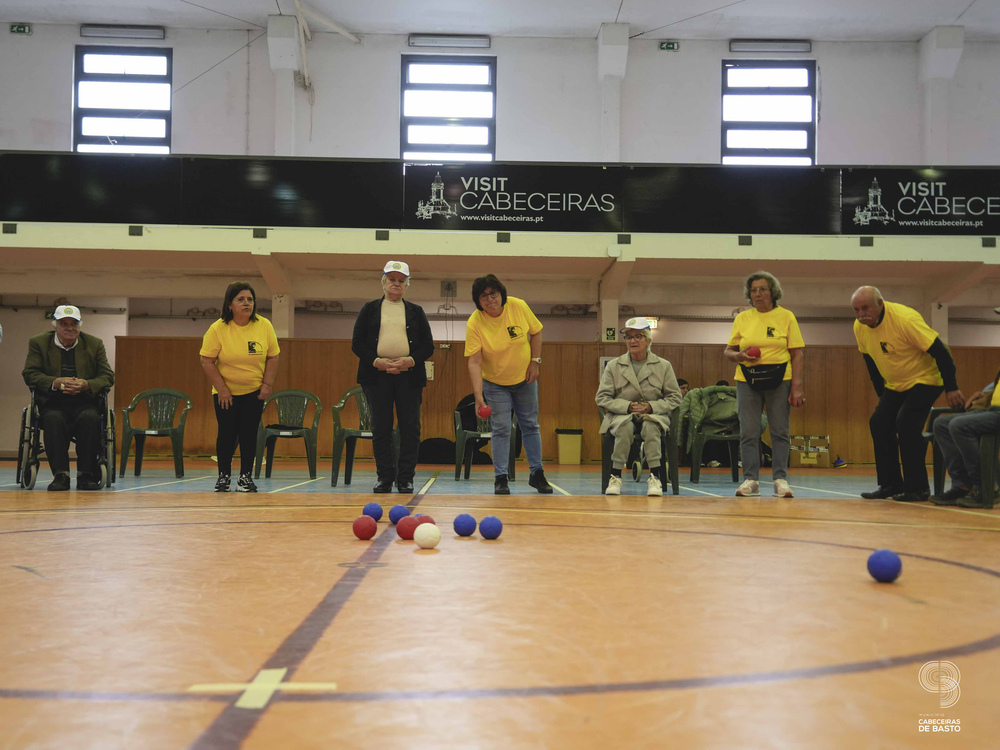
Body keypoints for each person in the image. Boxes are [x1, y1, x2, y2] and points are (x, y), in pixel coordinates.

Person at [852, 285, 964, 502]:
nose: (860, 314)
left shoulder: (904, 319)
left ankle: (918, 488)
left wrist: (952, 387)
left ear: (880, 304)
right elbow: (871, 364)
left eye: (865, 308)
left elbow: (941, 352)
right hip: (896, 384)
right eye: (856, 310)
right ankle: (891, 484)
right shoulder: (859, 327)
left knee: (906, 423)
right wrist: (882, 395)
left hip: (927, 379)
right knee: (879, 422)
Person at [352, 260, 434, 494]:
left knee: (410, 428)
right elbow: (357, 343)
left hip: (409, 377)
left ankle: (406, 478)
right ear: (383, 282)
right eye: (392, 280)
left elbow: (428, 346)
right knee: (381, 428)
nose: (396, 284)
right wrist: (377, 361)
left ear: (407, 284)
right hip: (376, 377)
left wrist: (410, 360)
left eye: (401, 281)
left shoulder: (416, 311)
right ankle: (385, 477)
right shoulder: (369, 309)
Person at [465, 274, 552, 495]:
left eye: (493, 293)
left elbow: (536, 332)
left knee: (530, 426)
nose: (490, 299)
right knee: (501, 428)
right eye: (483, 296)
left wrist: (535, 361)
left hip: (525, 379)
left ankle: (537, 474)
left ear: (501, 294)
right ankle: (501, 478)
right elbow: (474, 360)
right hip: (495, 383)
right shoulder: (475, 321)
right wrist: (478, 395)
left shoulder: (518, 306)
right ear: (478, 301)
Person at [725, 271, 805, 498]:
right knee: (748, 432)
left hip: (780, 379)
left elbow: (797, 354)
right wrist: (739, 356)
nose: (758, 294)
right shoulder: (742, 318)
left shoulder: (787, 316)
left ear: (773, 293)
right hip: (747, 380)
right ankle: (751, 480)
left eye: (763, 289)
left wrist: (797, 386)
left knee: (780, 431)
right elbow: (728, 351)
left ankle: (780, 480)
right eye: (753, 290)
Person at [22, 305, 115, 491]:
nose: (69, 327)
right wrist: (55, 382)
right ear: (55, 325)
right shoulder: (39, 343)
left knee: (90, 419)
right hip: (53, 402)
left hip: (84, 401)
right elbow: (30, 373)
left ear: (80, 325)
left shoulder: (94, 344)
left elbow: (107, 376)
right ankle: (61, 475)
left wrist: (86, 385)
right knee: (54, 419)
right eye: (64, 323)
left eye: (74, 323)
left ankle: (86, 475)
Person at [199, 282, 280, 493]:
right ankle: (223, 476)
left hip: (254, 391)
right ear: (230, 305)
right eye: (241, 299)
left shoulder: (264, 325)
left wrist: (267, 384)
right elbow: (207, 360)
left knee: (249, 434)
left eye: (250, 299)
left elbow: (273, 356)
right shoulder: (218, 329)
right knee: (226, 434)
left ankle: (245, 478)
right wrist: (223, 390)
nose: (247, 303)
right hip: (226, 393)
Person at [596, 317, 683, 496]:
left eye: (638, 337)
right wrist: (627, 406)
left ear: (649, 341)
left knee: (651, 426)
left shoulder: (663, 366)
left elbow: (675, 397)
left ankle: (655, 478)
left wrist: (651, 407)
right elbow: (602, 397)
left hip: (654, 415)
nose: (632, 341)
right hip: (622, 415)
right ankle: (615, 477)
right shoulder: (614, 366)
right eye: (628, 337)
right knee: (624, 427)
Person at [930, 373, 1000, 509]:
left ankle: (986, 486)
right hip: (991, 409)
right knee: (940, 424)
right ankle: (963, 485)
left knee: (959, 425)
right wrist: (985, 392)